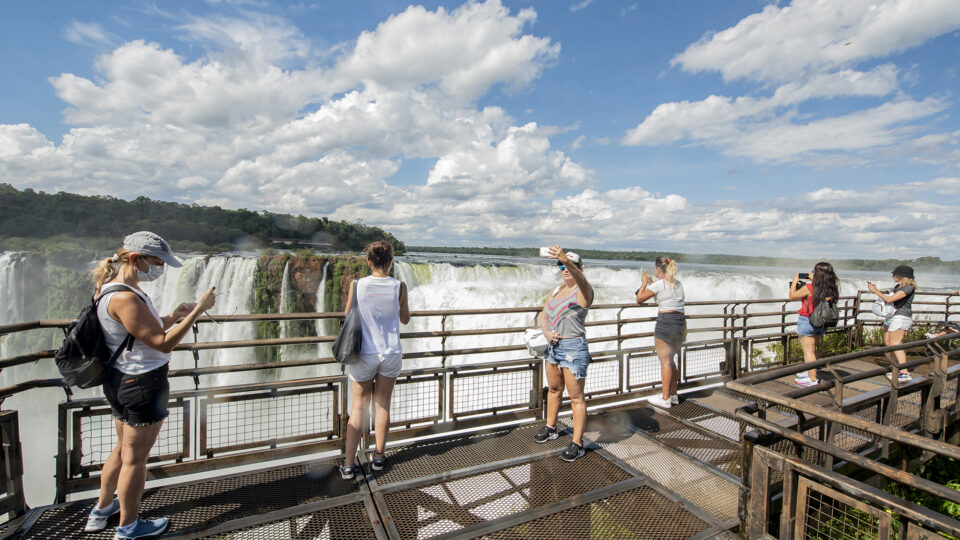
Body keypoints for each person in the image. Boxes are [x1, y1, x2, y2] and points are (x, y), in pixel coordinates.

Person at [86, 232, 215, 540]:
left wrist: (173, 315)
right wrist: (198, 310)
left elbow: (140, 333)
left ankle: (102, 510)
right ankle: (129, 528)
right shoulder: (126, 297)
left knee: (122, 450)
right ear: (135, 259)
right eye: (157, 263)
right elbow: (162, 343)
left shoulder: (110, 290)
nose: (160, 269)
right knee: (135, 460)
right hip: (142, 385)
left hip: (120, 381)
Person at [340, 241, 410, 479]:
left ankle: (349, 465)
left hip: (364, 354)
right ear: (390, 263)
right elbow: (405, 319)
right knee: (382, 405)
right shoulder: (400, 286)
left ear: (369, 262)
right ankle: (379, 458)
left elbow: (348, 314)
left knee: (358, 407)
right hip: (390, 353)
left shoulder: (357, 284)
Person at [534, 246, 594, 463]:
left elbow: (583, 282)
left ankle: (578, 444)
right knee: (554, 389)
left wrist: (567, 261)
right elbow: (543, 315)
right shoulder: (556, 290)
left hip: (573, 348)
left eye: (570, 265)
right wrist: (547, 333)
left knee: (576, 397)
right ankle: (551, 428)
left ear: (579, 268)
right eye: (561, 265)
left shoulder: (584, 290)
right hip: (554, 348)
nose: (565, 269)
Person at [635, 257, 685, 408]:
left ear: (657, 269)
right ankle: (674, 395)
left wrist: (644, 283)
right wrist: (651, 284)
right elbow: (663, 295)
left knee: (665, 362)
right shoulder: (677, 283)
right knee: (671, 360)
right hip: (680, 323)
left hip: (666, 322)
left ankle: (665, 399)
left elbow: (639, 299)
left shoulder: (658, 284)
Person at [788, 262, 840, 387]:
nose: (812, 273)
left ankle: (812, 380)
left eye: (814, 271)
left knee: (808, 351)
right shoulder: (832, 288)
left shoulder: (810, 287)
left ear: (818, 273)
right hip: (821, 322)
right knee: (813, 350)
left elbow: (792, 296)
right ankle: (809, 372)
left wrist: (795, 281)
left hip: (807, 320)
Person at [868, 265, 917, 383]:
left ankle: (904, 372)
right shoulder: (898, 286)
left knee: (896, 343)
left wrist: (876, 291)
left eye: (894, 274)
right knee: (888, 343)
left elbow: (890, 300)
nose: (892, 275)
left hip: (901, 317)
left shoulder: (908, 288)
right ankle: (896, 368)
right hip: (892, 316)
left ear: (902, 276)